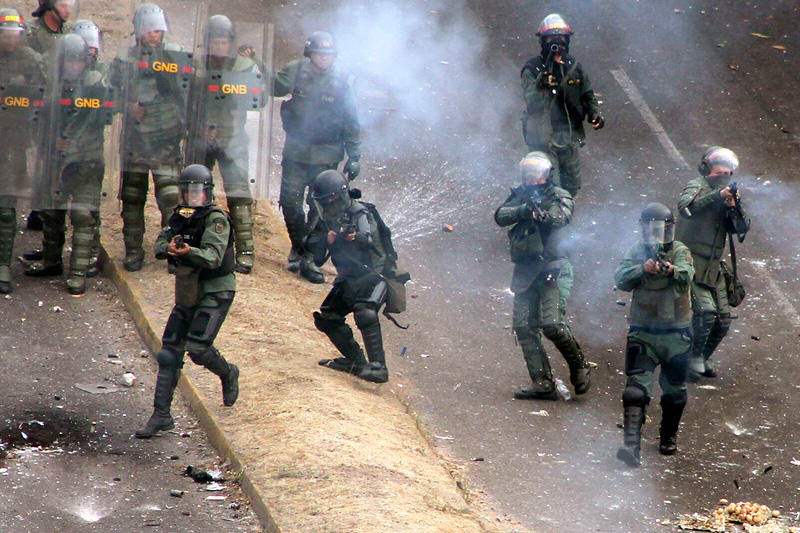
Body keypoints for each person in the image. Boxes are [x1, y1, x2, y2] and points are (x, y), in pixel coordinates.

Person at [136, 164, 239, 438]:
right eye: (188, 191)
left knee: (199, 349)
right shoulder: (179, 216)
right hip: (188, 287)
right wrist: (168, 248)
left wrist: (187, 250)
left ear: (207, 192)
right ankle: (161, 415)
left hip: (216, 288)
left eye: (198, 191)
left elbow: (213, 257)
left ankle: (228, 373)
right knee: (169, 352)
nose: (193, 197)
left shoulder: (217, 219)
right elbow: (159, 244)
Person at [494, 152, 590, 400]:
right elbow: (500, 215)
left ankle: (579, 365)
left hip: (553, 267)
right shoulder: (519, 196)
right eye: (528, 173)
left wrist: (543, 214)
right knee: (524, 327)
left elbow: (562, 216)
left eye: (536, 173)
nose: (532, 178)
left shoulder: (559, 195)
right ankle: (542, 383)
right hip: (526, 270)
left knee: (552, 325)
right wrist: (524, 211)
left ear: (546, 174)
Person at [269, 31, 361, 283]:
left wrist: (354, 155)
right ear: (310, 54)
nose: (324, 59)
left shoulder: (342, 81)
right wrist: (259, 67)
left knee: (319, 211)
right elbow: (275, 88)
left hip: (327, 155)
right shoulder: (296, 70)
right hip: (297, 152)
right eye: (319, 54)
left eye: (328, 55)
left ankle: (307, 256)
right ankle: (300, 248)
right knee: (289, 202)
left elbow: (352, 120)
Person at [24, 33, 111, 295]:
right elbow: (38, 120)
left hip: (86, 160)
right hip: (57, 160)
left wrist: (71, 143)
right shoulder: (52, 86)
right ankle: (51, 262)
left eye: (78, 62)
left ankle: (78, 273)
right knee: (52, 212)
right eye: (69, 62)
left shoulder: (96, 84)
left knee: (83, 216)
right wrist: (53, 141)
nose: (74, 67)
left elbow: (101, 119)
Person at [109, 2, 189, 271]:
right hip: (135, 140)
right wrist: (126, 105)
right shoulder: (125, 59)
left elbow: (189, 93)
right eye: (148, 30)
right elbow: (110, 92)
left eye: (157, 30)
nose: (154, 35)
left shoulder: (176, 57)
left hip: (166, 139)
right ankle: (133, 251)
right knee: (132, 197)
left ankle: (173, 250)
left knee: (170, 197)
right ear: (138, 32)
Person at [614, 203, 695, 467]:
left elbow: (687, 274)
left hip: (676, 334)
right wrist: (643, 269)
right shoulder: (637, 252)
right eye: (650, 229)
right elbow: (621, 279)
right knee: (635, 392)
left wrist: (670, 270)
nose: (654, 234)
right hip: (643, 332)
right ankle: (631, 446)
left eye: (659, 229)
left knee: (674, 393)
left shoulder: (680, 250)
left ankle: (668, 436)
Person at [187, 14, 262, 274]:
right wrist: (196, 129)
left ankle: (246, 252)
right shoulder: (196, 67)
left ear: (231, 43)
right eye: (214, 42)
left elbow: (260, 99)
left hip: (233, 139)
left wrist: (254, 68)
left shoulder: (244, 67)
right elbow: (183, 102)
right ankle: (191, 244)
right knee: (192, 193)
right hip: (200, 137)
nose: (218, 47)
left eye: (223, 42)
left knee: (239, 196)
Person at [306, 170, 394, 383]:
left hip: (375, 275)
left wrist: (349, 236)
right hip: (349, 278)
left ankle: (378, 367)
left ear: (334, 198)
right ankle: (356, 361)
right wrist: (327, 240)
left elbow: (366, 240)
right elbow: (315, 258)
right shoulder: (326, 221)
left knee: (365, 312)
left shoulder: (360, 212)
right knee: (327, 318)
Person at [676, 147, 750, 381]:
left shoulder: (727, 194)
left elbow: (742, 228)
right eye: (719, 168)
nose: (723, 173)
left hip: (714, 267)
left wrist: (732, 207)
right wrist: (716, 196)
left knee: (724, 321)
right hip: (691, 260)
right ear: (708, 168)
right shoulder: (696, 186)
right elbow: (686, 208)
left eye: (727, 170)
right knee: (706, 313)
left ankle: (700, 358)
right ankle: (691, 360)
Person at [520, 13, 603, 198]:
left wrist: (594, 113)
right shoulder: (532, 70)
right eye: (551, 38)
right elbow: (531, 103)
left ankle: (563, 216)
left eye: (561, 38)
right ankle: (547, 222)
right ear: (543, 41)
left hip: (568, 137)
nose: (557, 43)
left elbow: (587, 93)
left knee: (571, 186)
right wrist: (543, 85)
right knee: (550, 187)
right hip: (543, 139)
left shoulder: (573, 67)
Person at [0, 8, 46, 293]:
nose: (9, 40)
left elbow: (44, 98)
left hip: (15, 142)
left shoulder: (32, 62)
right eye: (4, 35)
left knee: (6, 208)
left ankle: (3, 264)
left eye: (13, 35)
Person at [26, 0, 76, 232]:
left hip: (61, 105)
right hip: (35, 105)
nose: (68, 10)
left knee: (54, 158)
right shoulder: (32, 33)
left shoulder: (70, 35)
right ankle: (38, 208)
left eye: (70, 5)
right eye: (63, 5)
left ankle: (47, 209)